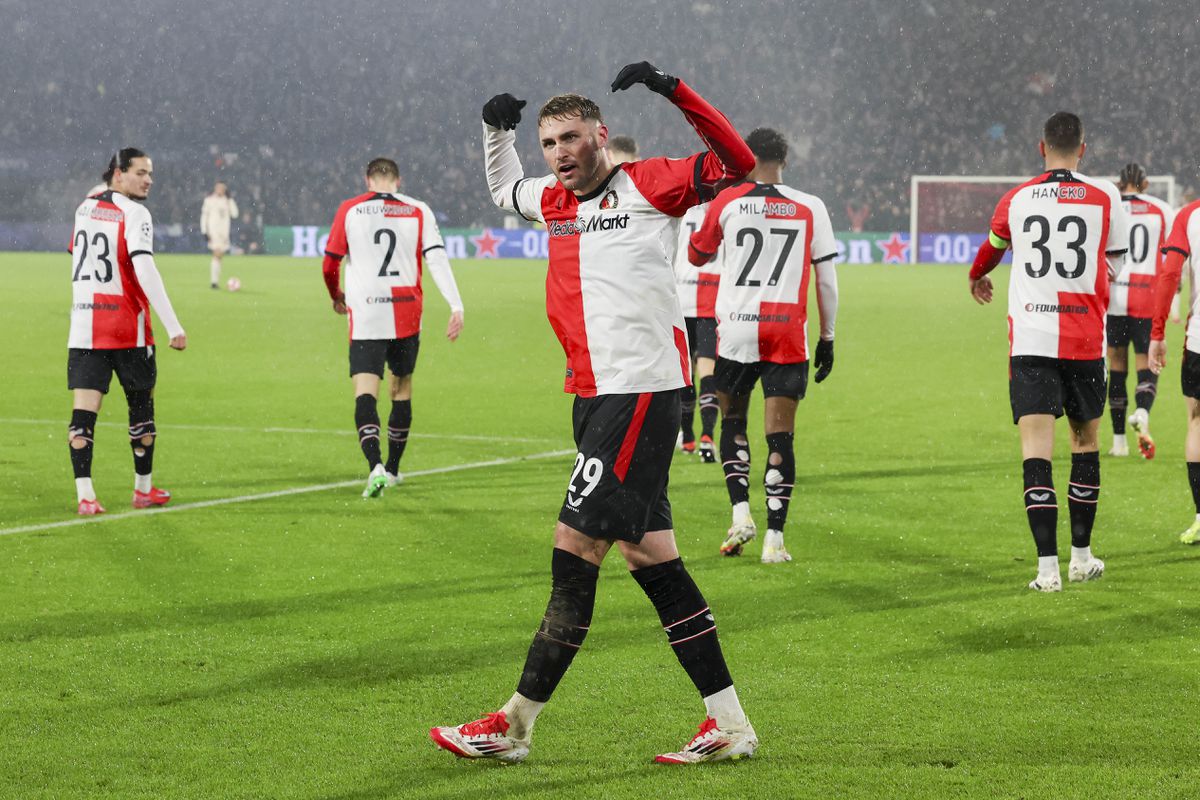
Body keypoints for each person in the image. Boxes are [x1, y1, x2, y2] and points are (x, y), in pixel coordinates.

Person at [430, 61, 758, 765]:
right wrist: (495, 131)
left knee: (575, 550)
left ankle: (515, 723)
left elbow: (738, 161)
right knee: (652, 557)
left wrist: (674, 89)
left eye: (570, 139)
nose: (559, 155)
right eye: (548, 143)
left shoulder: (650, 183)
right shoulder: (550, 197)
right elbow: (501, 189)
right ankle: (729, 724)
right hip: (591, 395)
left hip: (638, 391)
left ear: (600, 136)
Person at [968, 112, 1128, 592]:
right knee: (1084, 445)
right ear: (1085, 147)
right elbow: (1114, 263)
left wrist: (976, 275)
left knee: (1035, 452)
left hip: (1032, 341)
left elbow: (993, 247)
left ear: (1042, 148)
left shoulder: (1017, 198)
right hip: (1083, 339)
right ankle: (1081, 557)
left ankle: (1047, 570)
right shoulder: (1106, 196)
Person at [688, 128, 839, 563]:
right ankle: (775, 540)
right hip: (786, 331)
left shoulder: (728, 199)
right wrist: (827, 338)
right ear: (785, 161)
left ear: (744, 156)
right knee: (781, 436)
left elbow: (698, 255)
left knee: (733, 421)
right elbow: (827, 281)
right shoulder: (810, 206)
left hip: (736, 330)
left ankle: (740, 515)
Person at [321, 158, 464, 497]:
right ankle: (396, 469)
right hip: (405, 312)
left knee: (365, 391)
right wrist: (456, 305)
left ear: (368, 179)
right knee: (401, 390)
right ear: (398, 180)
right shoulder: (418, 210)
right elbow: (437, 258)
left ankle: (375, 467)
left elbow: (330, 263)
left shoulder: (350, 209)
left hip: (367, 311)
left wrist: (336, 295)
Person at [67, 148, 187, 515]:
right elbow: (145, 269)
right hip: (126, 329)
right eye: (140, 172)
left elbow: (75, 252)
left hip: (85, 327)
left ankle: (85, 496)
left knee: (83, 417)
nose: (148, 180)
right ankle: (142, 490)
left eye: (150, 173)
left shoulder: (84, 207)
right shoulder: (136, 213)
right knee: (141, 411)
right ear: (119, 174)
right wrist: (173, 324)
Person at [1106, 163, 1173, 458]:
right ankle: (1142, 411)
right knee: (1147, 365)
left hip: (1115, 298)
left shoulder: (1110, 207)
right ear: (1145, 183)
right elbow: (1172, 257)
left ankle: (1118, 443)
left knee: (1117, 368)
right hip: (1148, 298)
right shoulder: (1161, 209)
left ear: (1120, 183)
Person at [1149, 195, 1200, 543]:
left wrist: (1157, 332)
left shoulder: (1189, 215)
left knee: (1197, 424)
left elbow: (1170, 272)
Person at [674, 200, 721, 461]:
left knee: (685, 374)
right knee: (707, 370)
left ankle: (688, 437)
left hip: (681, 299)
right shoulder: (727, 209)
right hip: (711, 302)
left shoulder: (684, 209)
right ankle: (707, 438)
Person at [200, 181, 239, 289]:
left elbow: (235, 214)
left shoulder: (227, 201)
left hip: (224, 233)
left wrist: (230, 199)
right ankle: (214, 282)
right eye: (219, 187)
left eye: (222, 188)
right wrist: (204, 231)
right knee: (217, 254)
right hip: (213, 232)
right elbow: (204, 216)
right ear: (215, 188)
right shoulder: (209, 200)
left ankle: (215, 280)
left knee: (219, 257)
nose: (220, 190)